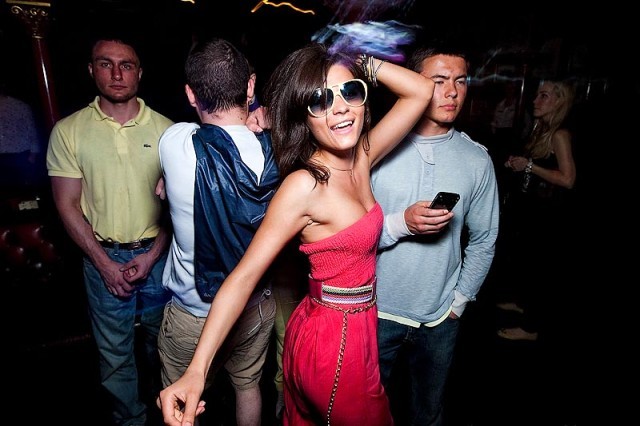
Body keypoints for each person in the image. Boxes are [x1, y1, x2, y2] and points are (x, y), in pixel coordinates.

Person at [158, 42, 434, 426]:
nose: (340, 107)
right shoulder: (304, 186)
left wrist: (353, 58)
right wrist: (196, 371)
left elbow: (422, 90)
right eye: (321, 100)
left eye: (350, 92)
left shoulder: (362, 156)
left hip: (360, 325)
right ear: (304, 115)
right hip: (333, 342)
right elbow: (243, 277)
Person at [370, 44, 500, 426]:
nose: (452, 92)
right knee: (365, 414)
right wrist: (402, 223)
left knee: (427, 415)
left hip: (440, 318)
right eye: (439, 81)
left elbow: (484, 238)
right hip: (376, 313)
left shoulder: (477, 158)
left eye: (461, 81)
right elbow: (350, 236)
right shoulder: (376, 149)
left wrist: (458, 303)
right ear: (413, 83)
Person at [46, 35, 173, 426]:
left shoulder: (169, 131)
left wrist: (152, 255)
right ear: (91, 70)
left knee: (164, 346)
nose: (117, 74)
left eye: (126, 65)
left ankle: (169, 414)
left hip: (158, 257)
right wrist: (103, 263)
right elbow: (66, 204)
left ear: (139, 73)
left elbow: (178, 209)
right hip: (102, 256)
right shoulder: (69, 130)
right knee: (114, 354)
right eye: (106, 64)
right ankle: (130, 420)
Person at [156, 38, 278, 426]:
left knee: (182, 402)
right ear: (250, 85)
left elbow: (204, 135)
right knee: (248, 386)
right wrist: (261, 114)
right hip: (256, 305)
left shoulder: (175, 141)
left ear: (191, 94)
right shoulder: (280, 149)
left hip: (194, 313)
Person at [495, 78, 576, 341]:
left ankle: (531, 329)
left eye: (544, 96)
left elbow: (568, 179)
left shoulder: (560, 135)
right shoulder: (542, 129)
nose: (535, 100)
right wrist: (518, 164)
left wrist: (529, 166)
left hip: (550, 214)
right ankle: (525, 304)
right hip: (535, 210)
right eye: (537, 94)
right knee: (528, 262)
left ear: (559, 101)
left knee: (541, 268)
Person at [0, 83, 44, 192]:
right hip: (12, 156)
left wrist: (32, 156)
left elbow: (31, 131)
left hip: (19, 155)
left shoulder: (19, 106)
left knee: (22, 191)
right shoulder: (21, 105)